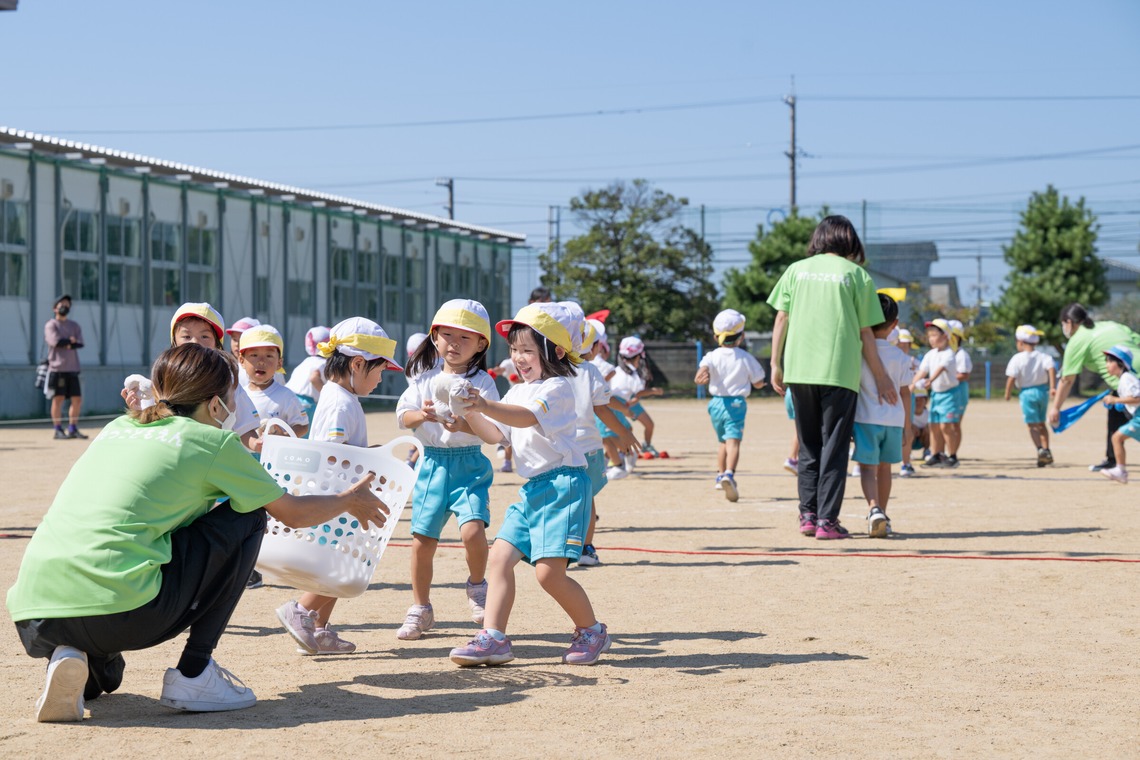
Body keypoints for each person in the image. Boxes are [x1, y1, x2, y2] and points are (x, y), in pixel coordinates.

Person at [6, 343, 388, 722]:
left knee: (108, 677)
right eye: (233, 396)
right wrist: (348, 499)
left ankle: (73, 657)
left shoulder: (116, 427)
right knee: (250, 516)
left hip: (36, 617)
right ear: (215, 403)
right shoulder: (213, 442)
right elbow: (293, 513)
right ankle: (194, 672)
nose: (237, 408)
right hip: (122, 609)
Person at [447, 302, 611, 667]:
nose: (518, 358)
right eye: (514, 350)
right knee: (500, 559)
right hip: (533, 489)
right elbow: (497, 435)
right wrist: (466, 417)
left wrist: (483, 403)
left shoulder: (558, 387)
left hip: (563, 486)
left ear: (554, 350)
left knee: (549, 575)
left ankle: (592, 630)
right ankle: (494, 638)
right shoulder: (518, 390)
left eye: (526, 350)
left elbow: (523, 419)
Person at [275, 317, 402, 655]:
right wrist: (369, 462)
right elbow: (334, 456)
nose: (379, 380)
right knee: (339, 565)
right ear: (358, 364)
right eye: (378, 372)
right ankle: (300, 611)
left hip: (342, 499)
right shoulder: (340, 402)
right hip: (337, 499)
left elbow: (346, 451)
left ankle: (318, 629)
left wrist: (372, 456)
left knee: (341, 563)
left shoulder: (342, 397)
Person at [767, 215, 895, 540]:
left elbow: (782, 317)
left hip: (798, 368)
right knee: (834, 447)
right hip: (839, 370)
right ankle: (827, 521)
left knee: (808, 445)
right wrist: (881, 376)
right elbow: (867, 332)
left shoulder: (796, 269)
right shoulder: (857, 275)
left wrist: (775, 364)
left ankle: (808, 516)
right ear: (849, 240)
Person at [394, 300, 498, 641]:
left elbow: (491, 431)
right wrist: (423, 416)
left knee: (472, 532)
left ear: (481, 344)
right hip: (433, 464)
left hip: (469, 464)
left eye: (464, 338)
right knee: (422, 541)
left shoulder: (482, 382)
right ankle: (421, 608)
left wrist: (463, 424)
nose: (453, 343)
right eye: (446, 335)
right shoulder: (423, 378)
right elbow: (403, 417)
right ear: (434, 337)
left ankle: (478, 586)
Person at [122, 303, 263, 453]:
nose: (195, 343)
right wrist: (137, 410)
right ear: (174, 342)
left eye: (204, 336)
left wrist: (256, 444)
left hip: (212, 454)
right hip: (172, 453)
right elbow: (151, 421)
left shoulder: (227, 380)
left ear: (217, 345)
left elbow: (244, 426)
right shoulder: (164, 375)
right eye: (186, 336)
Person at [563, 303, 639, 566]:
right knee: (587, 498)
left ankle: (558, 545)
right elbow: (603, 408)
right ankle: (586, 549)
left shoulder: (550, 370)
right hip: (588, 446)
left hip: (558, 447)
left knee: (563, 496)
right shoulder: (590, 370)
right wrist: (625, 432)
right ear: (593, 348)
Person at [1048, 303, 1140, 472]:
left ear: (1069, 322)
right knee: (1115, 412)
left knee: (1130, 417)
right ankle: (1113, 459)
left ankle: (1114, 461)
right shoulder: (1112, 325)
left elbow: (1067, 379)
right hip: (1127, 379)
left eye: (1063, 324)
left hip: (1129, 380)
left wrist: (1055, 408)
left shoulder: (1077, 340)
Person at [851, 294, 913, 538]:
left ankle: (873, 508)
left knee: (867, 468)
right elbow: (906, 393)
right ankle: (883, 515)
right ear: (894, 324)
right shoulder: (900, 356)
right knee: (885, 468)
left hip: (867, 419)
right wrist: (907, 427)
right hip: (894, 421)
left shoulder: (858, 351)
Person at [694, 308, 767, 502]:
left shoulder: (712, 356)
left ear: (716, 335)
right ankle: (729, 473)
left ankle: (719, 476)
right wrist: (761, 384)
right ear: (741, 336)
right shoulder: (745, 357)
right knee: (734, 441)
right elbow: (758, 381)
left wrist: (702, 376)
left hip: (716, 404)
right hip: (735, 404)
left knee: (722, 442)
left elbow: (701, 372)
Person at [239, 325, 309, 440]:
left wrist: (284, 437)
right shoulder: (239, 395)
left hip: (274, 455)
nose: (261, 362)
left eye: (269, 356)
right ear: (242, 360)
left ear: (279, 363)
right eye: (254, 355)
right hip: (244, 455)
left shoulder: (286, 396)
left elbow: (302, 425)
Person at [1004, 324, 1056, 467]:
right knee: (1041, 423)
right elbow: (1051, 369)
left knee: (1031, 425)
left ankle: (1040, 450)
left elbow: (1011, 377)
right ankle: (1047, 449)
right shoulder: (1044, 356)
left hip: (1027, 393)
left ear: (1020, 342)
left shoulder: (1017, 358)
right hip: (1042, 392)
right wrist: (1052, 387)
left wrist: (1007, 393)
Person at [913, 319, 961, 469]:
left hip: (949, 394)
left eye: (934, 335)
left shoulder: (949, 353)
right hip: (936, 394)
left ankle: (952, 456)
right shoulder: (930, 354)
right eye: (930, 335)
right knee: (933, 426)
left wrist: (929, 381)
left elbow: (940, 369)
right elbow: (922, 371)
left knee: (946, 426)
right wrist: (912, 384)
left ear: (946, 336)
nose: (931, 339)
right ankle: (936, 454)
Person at [612, 337, 665, 457]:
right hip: (618, 404)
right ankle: (617, 456)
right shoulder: (630, 375)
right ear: (638, 356)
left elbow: (634, 394)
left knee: (647, 425)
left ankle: (642, 446)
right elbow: (639, 392)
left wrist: (635, 399)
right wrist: (654, 391)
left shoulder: (618, 371)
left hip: (626, 402)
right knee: (624, 431)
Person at [43, 294, 86, 440]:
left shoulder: (74, 325)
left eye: (67, 305)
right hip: (57, 368)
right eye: (62, 304)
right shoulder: (51, 325)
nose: (65, 307)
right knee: (58, 399)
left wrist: (67, 342)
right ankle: (58, 429)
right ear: (55, 308)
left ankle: (73, 428)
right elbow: (55, 341)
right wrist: (69, 342)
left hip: (73, 368)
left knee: (77, 399)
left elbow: (80, 343)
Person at [1098, 346, 1140, 484]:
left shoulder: (1126, 378)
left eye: (1110, 361)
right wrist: (1120, 405)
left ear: (1120, 363)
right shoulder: (1124, 379)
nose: (1107, 365)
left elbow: (1138, 398)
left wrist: (1116, 399)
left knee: (1116, 437)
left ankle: (1120, 471)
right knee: (1117, 437)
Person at [285, 325, 331, 429]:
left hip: (289, 399)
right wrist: (328, 396)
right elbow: (314, 378)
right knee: (306, 438)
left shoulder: (307, 361)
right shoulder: (323, 363)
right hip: (306, 404)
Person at [896, 328, 920, 477]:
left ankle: (905, 463)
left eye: (906, 344)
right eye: (900, 343)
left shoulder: (913, 361)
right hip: (896, 397)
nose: (903, 346)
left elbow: (921, 375)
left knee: (907, 429)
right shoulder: (896, 358)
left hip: (907, 398)